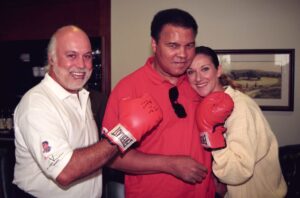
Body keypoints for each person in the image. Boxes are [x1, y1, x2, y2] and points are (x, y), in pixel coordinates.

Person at [13, 25, 163, 198]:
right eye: (71, 56)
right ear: (51, 59)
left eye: (87, 56)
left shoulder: (83, 96)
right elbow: (65, 171)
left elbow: (97, 158)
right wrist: (125, 132)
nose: (81, 65)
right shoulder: (37, 104)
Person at [102, 9, 215, 198]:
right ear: (154, 44)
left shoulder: (198, 82)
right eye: (173, 45)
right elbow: (112, 158)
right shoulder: (129, 89)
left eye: (189, 45)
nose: (183, 54)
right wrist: (169, 164)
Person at [187, 46, 287, 198]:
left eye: (205, 69)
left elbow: (239, 171)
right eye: (191, 72)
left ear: (218, 71)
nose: (198, 78)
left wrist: (212, 137)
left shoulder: (240, 107)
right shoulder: (207, 106)